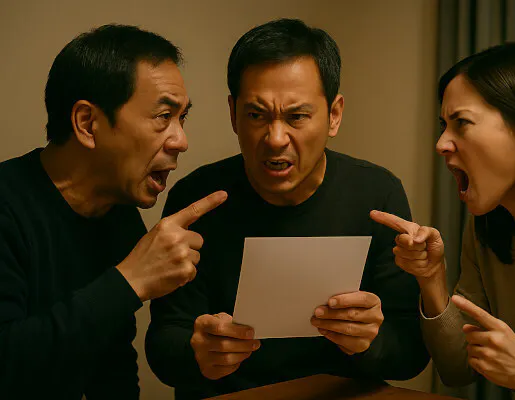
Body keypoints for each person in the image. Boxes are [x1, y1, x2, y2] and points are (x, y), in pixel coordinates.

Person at [145, 18, 430, 399]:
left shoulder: (376, 195)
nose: (276, 138)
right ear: (233, 114)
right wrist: (197, 353)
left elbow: (411, 355)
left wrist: (371, 340)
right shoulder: (197, 199)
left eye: (296, 117)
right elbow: (163, 342)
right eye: (256, 115)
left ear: (334, 115)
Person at [0, 24, 226, 399]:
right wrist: (129, 282)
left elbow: (111, 367)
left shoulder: (118, 215)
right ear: (88, 124)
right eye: (163, 116)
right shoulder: (9, 207)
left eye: (181, 118)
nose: (181, 140)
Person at [372, 42, 515, 400]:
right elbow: (457, 368)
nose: (441, 144)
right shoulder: (489, 226)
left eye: (461, 123)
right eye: (444, 125)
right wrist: (432, 279)